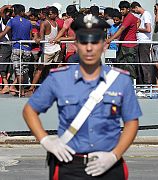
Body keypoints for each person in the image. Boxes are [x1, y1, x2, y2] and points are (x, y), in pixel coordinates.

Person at [23, 14, 142, 180]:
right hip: (69, 165)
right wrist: (45, 140)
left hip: (108, 164)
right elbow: (29, 110)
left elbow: (132, 122)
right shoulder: (59, 78)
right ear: (76, 44)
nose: (89, 48)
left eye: (95, 42)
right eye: (84, 42)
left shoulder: (121, 81)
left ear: (104, 45)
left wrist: (114, 155)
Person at [106, 1, 139, 80]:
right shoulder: (128, 17)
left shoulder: (129, 17)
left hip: (129, 46)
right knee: (120, 65)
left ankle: (131, 86)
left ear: (128, 9)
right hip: (123, 45)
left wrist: (110, 39)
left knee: (129, 67)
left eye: (123, 9)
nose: (121, 11)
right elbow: (138, 20)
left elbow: (122, 28)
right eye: (120, 9)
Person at [131, 1, 154, 85]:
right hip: (140, 41)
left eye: (134, 11)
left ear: (136, 7)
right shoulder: (141, 16)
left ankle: (147, 83)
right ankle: (142, 83)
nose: (135, 13)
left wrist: (137, 29)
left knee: (144, 63)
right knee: (139, 63)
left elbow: (148, 29)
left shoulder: (146, 14)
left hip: (145, 42)